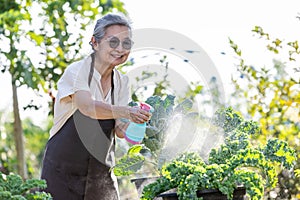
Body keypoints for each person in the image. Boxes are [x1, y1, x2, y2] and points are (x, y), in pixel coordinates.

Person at [41, 13, 151, 200]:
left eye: (126, 43)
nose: (120, 49)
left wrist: (137, 124)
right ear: (95, 42)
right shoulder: (77, 71)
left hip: (101, 173)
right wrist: (126, 111)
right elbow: (88, 107)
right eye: (113, 42)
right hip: (62, 171)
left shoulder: (122, 82)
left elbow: (119, 129)